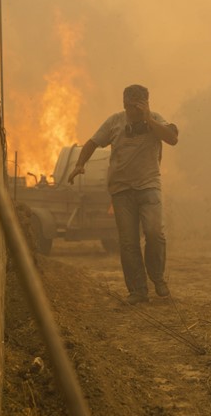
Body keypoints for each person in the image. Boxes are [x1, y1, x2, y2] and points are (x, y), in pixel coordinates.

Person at [67, 84, 179, 304]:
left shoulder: (156, 120)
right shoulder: (115, 122)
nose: (133, 112)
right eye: (129, 107)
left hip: (149, 186)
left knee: (155, 233)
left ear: (146, 104)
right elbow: (92, 142)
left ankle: (157, 277)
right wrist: (80, 163)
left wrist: (149, 119)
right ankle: (138, 290)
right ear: (124, 105)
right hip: (121, 190)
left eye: (138, 107)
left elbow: (172, 138)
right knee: (128, 242)